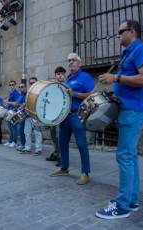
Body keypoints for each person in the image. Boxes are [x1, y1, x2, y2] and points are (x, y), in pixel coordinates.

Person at [96, 20, 143, 219]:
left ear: (132, 31)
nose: (117, 35)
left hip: (133, 110)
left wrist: (116, 79)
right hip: (127, 108)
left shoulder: (141, 49)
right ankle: (132, 200)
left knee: (124, 156)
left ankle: (122, 206)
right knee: (130, 156)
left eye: (120, 31)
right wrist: (112, 81)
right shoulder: (130, 52)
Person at [51, 53, 94, 186]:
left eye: (73, 60)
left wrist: (75, 94)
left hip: (77, 115)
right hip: (65, 115)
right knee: (62, 142)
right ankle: (64, 168)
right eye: (69, 60)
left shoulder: (85, 77)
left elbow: (91, 95)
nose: (70, 62)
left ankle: (85, 173)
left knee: (81, 144)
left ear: (79, 63)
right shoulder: (68, 78)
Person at [46, 66, 66, 163]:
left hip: (62, 115)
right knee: (53, 135)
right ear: (55, 76)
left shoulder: (67, 86)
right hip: (52, 115)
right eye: (58, 74)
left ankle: (61, 157)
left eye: (62, 74)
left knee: (59, 136)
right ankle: (56, 152)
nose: (60, 76)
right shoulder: (52, 87)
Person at [20, 78, 43, 155]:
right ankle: (27, 148)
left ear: (37, 83)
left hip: (36, 116)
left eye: (33, 82)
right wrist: (23, 105)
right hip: (28, 115)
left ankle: (38, 149)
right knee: (27, 132)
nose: (32, 84)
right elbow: (26, 102)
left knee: (37, 133)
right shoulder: (29, 92)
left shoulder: (41, 91)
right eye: (30, 83)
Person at [4, 80, 20, 148]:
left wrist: (7, 102)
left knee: (14, 128)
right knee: (10, 127)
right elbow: (8, 102)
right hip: (9, 111)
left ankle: (14, 142)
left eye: (13, 84)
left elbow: (16, 103)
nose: (11, 86)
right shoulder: (10, 93)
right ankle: (10, 141)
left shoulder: (16, 93)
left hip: (15, 112)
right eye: (10, 85)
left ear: (15, 85)